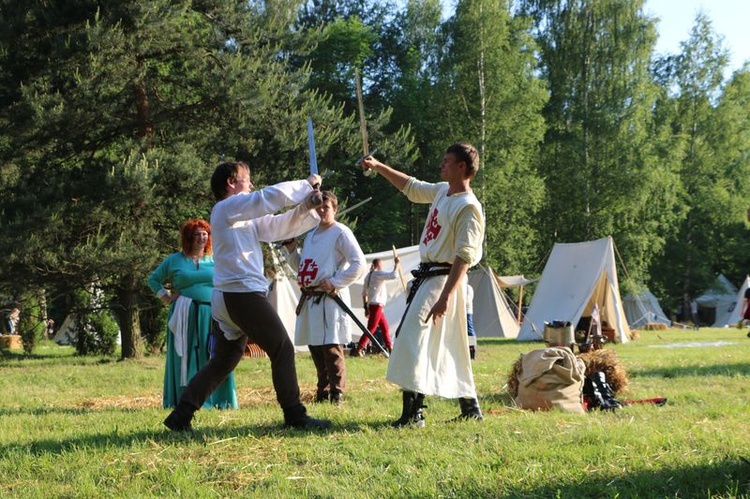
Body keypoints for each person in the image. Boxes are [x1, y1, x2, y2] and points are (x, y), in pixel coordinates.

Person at [163, 161, 330, 431]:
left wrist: (306, 207)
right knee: (282, 347)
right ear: (231, 182)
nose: (251, 184)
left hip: (231, 296)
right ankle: (295, 415)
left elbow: (277, 228)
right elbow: (264, 199)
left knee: (224, 360)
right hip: (240, 294)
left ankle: (181, 415)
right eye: (246, 179)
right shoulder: (226, 208)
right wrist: (305, 185)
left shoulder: (241, 214)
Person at [362, 142, 485, 427]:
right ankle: (470, 408)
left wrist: (444, 297)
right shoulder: (443, 191)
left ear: (462, 167)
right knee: (444, 346)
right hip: (429, 278)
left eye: (447, 161)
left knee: (412, 339)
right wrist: (379, 167)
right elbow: (412, 187)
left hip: (443, 280)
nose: (441, 165)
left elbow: (465, 256)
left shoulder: (469, 207)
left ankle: (414, 413)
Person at [284, 191, 366, 405]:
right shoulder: (311, 235)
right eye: (318, 206)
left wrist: (336, 282)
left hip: (329, 298)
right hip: (311, 298)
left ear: (335, 209)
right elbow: (302, 267)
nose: (321, 210)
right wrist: (292, 250)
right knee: (315, 346)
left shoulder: (341, 232)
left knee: (331, 347)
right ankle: (323, 390)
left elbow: (359, 263)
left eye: (326, 207)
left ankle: (336, 393)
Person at [148, 219, 238, 410]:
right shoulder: (175, 260)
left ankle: (219, 399)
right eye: (197, 234)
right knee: (186, 354)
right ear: (189, 237)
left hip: (213, 312)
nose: (201, 237)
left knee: (216, 353)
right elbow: (153, 280)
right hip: (185, 313)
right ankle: (185, 398)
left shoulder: (216, 259)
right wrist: (166, 297)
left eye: (205, 233)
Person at [352, 256, 401, 357]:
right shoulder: (378, 273)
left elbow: (364, 294)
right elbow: (394, 275)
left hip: (373, 305)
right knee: (372, 328)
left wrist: (366, 307)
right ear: (379, 265)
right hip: (377, 305)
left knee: (384, 327)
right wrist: (396, 264)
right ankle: (359, 348)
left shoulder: (368, 276)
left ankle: (389, 347)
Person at [466, 282, 476, 360]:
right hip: (460, 311)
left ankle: (472, 348)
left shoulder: (468, 288)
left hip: (467, 312)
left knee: (470, 331)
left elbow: (467, 300)